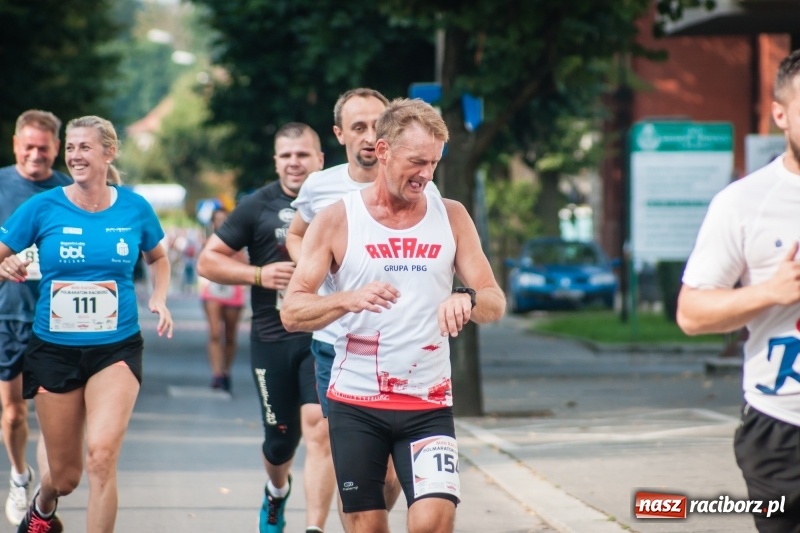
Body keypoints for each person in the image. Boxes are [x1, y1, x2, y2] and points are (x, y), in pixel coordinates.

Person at [280, 99, 506, 533]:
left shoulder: (451, 216)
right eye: (417, 161)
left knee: (434, 522)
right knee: (368, 527)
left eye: (435, 163)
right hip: (356, 403)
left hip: (428, 401)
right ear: (382, 151)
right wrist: (345, 299)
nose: (427, 174)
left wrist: (467, 298)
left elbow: (494, 300)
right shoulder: (336, 220)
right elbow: (293, 311)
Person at [0, 115, 173, 533]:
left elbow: (159, 257)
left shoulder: (134, 207)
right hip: (54, 349)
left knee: (101, 458)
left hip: (116, 347)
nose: (76, 155)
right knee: (65, 478)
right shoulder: (43, 207)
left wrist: (159, 296)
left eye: (85, 147)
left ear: (108, 152)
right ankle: (42, 506)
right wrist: (6, 264)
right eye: (72, 147)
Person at [676, 49, 800, 533]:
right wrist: (770, 292)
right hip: (783, 427)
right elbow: (692, 313)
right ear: (780, 114)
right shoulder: (743, 203)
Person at [197, 122, 334, 533]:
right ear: (276, 161)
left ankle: (315, 526)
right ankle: (276, 493)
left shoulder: (340, 203)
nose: (295, 163)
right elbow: (208, 261)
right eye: (287, 156)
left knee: (320, 429)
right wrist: (259, 275)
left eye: (303, 154)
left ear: (320, 159)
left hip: (322, 338)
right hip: (272, 340)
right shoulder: (257, 206)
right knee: (280, 442)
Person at [285, 87, 406, 511]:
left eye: (377, 125)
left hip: (398, 342)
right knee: (356, 464)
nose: (370, 135)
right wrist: (316, 275)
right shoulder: (321, 186)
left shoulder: (413, 183)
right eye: (358, 127)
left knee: (391, 473)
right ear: (339, 134)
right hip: (336, 345)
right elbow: (295, 234)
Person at [0, 110, 72, 528]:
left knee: (53, 418)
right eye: (27, 146)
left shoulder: (68, 190)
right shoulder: (2, 184)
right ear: (15, 145)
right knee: (12, 414)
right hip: (8, 315)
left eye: (43, 148)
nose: (34, 154)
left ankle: (46, 501)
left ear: (56, 149)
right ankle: (18, 474)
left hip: (56, 319)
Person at [199, 208, 246, 392]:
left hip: (233, 290)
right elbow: (201, 265)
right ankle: (217, 373)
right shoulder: (207, 241)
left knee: (230, 335)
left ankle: (226, 371)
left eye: (224, 219)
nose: (220, 222)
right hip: (212, 290)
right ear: (212, 222)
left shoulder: (239, 240)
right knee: (215, 333)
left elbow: (246, 265)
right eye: (217, 219)